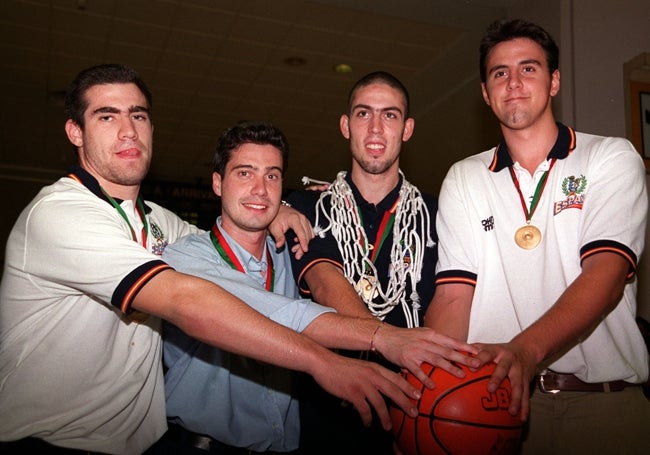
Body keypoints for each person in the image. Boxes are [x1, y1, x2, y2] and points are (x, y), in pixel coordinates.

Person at [0, 63, 436, 455]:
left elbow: (228, 239)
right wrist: (344, 351)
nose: (128, 130)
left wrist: (277, 209)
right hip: (51, 438)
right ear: (75, 132)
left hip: (133, 443)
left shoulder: (160, 227)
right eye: (107, 116)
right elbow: (191, 298)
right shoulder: (61, 214)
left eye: (138, 115)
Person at [159, 121, 479, 454]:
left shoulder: (290, 256)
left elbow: (348, 275)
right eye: (244, 173)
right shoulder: (186, 257)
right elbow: (278, 313)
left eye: (272, 176)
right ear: (217, 183)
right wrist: (381, 336)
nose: (259, 189)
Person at [425, 19, 650, 454]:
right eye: (499, 73)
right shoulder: (464, 178)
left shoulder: (609, 156)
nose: (513, 83)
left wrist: (525, 352)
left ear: (554, 82)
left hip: (604, 408)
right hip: (494, 410)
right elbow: (454, 298)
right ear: (486, 93)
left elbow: (605, 275)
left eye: (528, 69)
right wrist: (425, 393)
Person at [277, 71, 438, 454]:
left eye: (391, 115)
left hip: (414, 408)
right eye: (364, 114)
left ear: (408, 127)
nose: (377, 128)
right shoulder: (306, 207)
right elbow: (322, 279)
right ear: (346, 126)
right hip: (324, 418)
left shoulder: (437, 217)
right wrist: (389, 345)